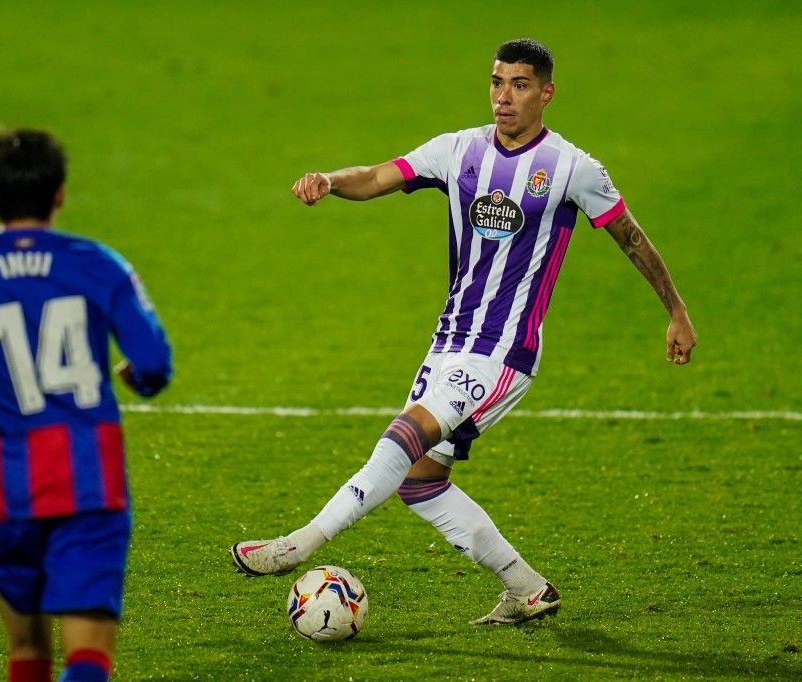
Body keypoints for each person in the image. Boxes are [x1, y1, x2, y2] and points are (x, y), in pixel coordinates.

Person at [231, 38, 696, 625]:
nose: (505, 97)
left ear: (547, 93)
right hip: (451, 340)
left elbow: (631, 237)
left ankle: (297, 545)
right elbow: (380, 175)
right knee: (421, 480)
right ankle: (527, 588)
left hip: (504, 351)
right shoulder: (459, 150)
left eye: (520, 85)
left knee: (404, 438)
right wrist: (329, 178)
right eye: (498, 82)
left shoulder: (573, 168)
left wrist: (675, 310)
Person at [0, 129, 172, 681]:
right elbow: (154, 361)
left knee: (27, 651)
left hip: (8, 478)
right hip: (90, 474)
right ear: (60, 194)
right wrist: (138, 380)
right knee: (88, 655)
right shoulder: (99, 264)